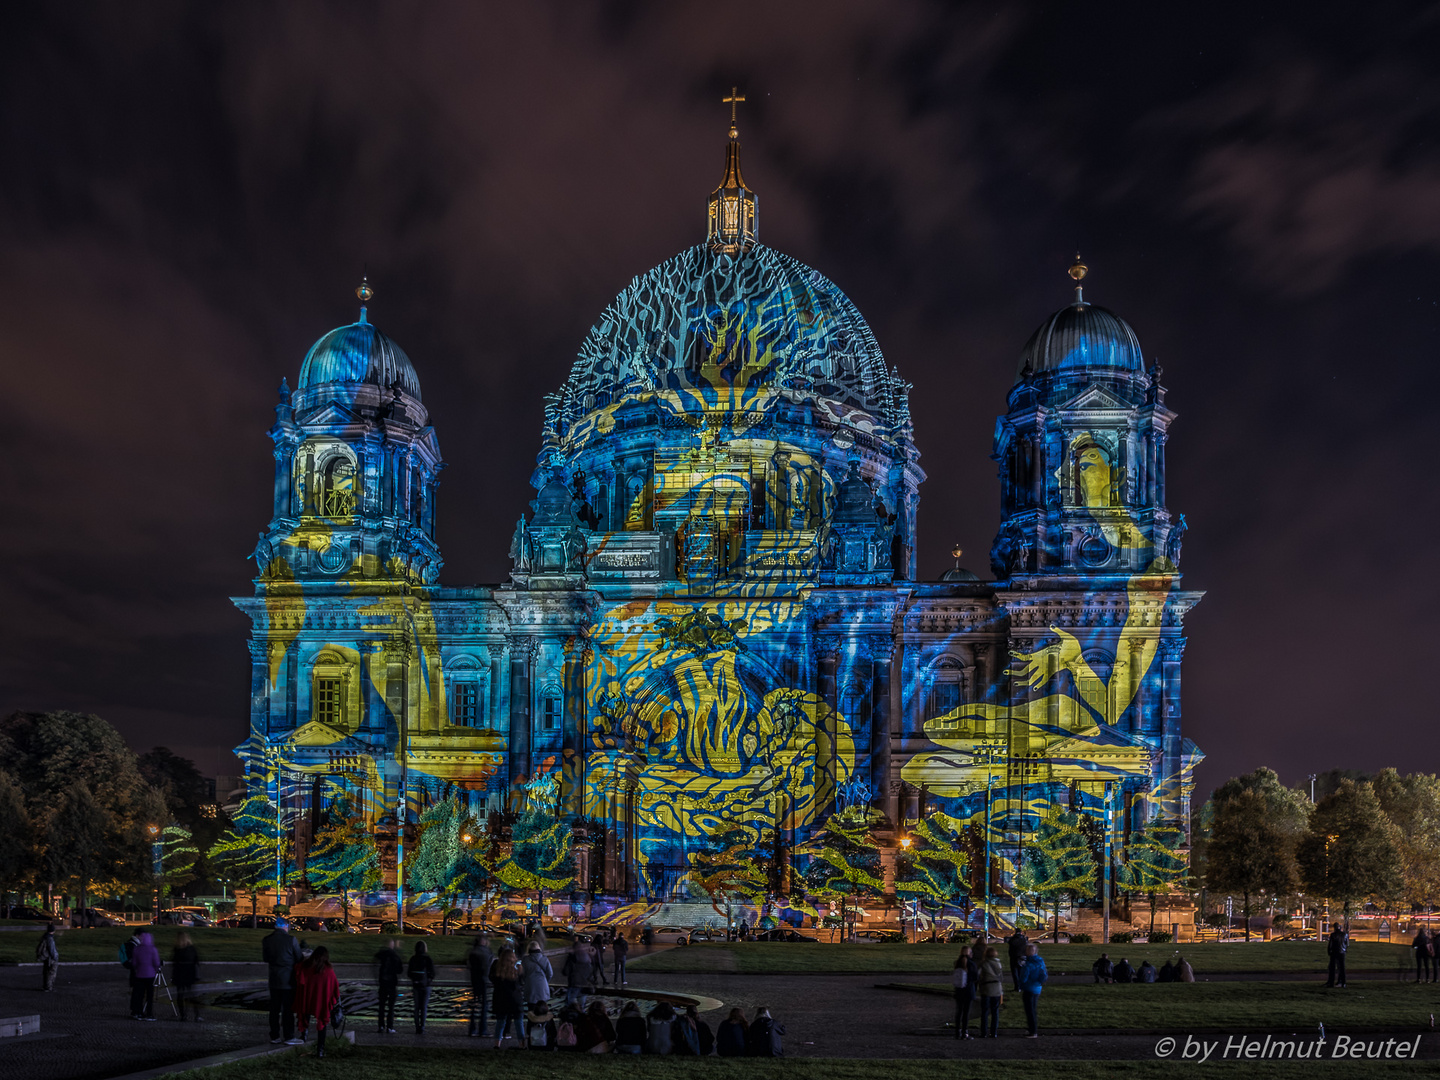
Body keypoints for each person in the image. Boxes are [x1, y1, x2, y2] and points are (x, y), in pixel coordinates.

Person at [262, 917, 304, 1043]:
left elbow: (265, 958)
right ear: (286, 926)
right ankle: (289, 1035)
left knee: (274, 1009)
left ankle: (274, 1035)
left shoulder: (267, 940)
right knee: (288, 1009)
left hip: (274, 979)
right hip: (288, 980)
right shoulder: (291, 940)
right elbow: (299, 958)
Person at [294, 946, 340, 1058]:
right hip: (321, 1001)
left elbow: (297, 972)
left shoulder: (306, 967)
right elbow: (335, 986)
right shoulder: (328, 970)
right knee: (322, 1022)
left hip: (308, 998)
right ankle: (320, 1050)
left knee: (305, 1014)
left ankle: (304, 1035)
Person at [490, 944, 525, 1048]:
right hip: (515, 999)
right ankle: (522, 1045)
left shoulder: (497, 967)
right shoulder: (517, 969)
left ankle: (497, 1044)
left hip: (501, 999)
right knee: (519, 1023)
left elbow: (491, 979)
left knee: (500, 1022)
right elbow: (521, 982)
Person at [1017, 942, 1048, 1038]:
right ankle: (1032, 1029)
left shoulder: (1028, 964)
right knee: (1033, 1009)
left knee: (1029, 1010)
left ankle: (1033, 1031)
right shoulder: (1040, 962)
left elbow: (1024, 978)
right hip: (1037, 988)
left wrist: (1020, 983)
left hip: (1029, 988)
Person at [131, 931, 162, 1021]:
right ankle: (149, 1014)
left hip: (139, 974)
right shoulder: (153, 949)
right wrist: (156, 969)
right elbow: (156, 962)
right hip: (150, 974)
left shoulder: (137, 949)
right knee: (149, 995)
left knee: (139, 995)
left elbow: (134, 963)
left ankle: (139, 1013)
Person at [467, 934, 494, 1038]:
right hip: (483, 980)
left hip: (474, 980)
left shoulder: (473, 951)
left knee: (474, 1005)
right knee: (484, 1006)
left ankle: (472, 1029)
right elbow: (489, 965)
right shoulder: (486, 952)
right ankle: (482, 1029)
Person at [374, 938, 403, 1034]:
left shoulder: (383, 954)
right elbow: (400, 970)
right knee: (391, 1007)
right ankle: (389, 1027)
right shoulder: (395, 956)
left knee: (381, 1006)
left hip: (383, 983)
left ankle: (381, 1026)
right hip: (392, 983)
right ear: (392, 946)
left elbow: (376, 957)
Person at [172, 932, 201, 1020]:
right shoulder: (192, 949)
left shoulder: (177, 949)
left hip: (179, 974)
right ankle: (197, 1014)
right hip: (190, 974)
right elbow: (197, 961)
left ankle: (183, 1015)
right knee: (192, 994)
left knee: (180, 995)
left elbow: (174, 963)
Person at [977, 945, 1004, 1038]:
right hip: (997, 988)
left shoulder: (983, 964)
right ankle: (994, 1032)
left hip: (986, 988)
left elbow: (978, 975)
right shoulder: (998, 963)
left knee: (984, 1011)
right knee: (995, 1011)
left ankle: (984, 1032)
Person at [409, 940, 435, 1033]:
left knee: (416, 1007)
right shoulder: (427, 959)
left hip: (416, 985)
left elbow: (409, 973)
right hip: (425, 985)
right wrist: (428, 980)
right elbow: (432, 972)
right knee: (424, 1007)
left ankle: (417, 1026)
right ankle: (422, 1027)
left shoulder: (413, 959)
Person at [952, 945, 978, 1039]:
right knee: (966, 1013)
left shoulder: (957, 963)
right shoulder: (971, 964)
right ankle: (964, 1032)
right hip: (968, 990)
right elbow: (975, 978)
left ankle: (957, 1032)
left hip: (959, 990)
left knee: (959, 1011)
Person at [561, 938, 595, 1008]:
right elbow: (590, 972)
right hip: (584, 985)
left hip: (574, 984)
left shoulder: (572, 958)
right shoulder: (587, 958)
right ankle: (581, 1016)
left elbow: (565, 972)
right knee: (582, 1005)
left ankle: (570, 1016)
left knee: (569, 1004)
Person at [521, 939, 553, 1011]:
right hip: (542, 985)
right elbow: (550, 973)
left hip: (530, 985)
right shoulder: (544, 959)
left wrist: (525, 981)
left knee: (531, 1009)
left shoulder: (525, 960)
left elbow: (522, 974)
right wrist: (545, 981)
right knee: (542, 1009)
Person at [35, 923, 59, 992]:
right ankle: (48, 987)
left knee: (46, 972)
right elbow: (52, 950)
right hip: (50, 958)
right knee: (51, 973)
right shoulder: (50, 939)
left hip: (46, 957)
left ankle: (46, 986)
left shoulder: (45, 937)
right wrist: (55, 957)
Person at [1006, 927, 1029, 992]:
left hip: (1014, 957)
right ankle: (1021, 986)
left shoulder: (1013, 939)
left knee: (1015, 973)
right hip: (1022, 957)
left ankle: (1017, 987)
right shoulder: (1023, 939)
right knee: (1020, 972)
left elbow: (1009, 942)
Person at [1326, 924, 1348, 988]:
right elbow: (1347, 944)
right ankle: (1343, 982)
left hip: (1334, 952)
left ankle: (1331, 982)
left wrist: (1329, 951)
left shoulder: (1333, 935)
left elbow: (1330, 944)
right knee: (1342, 968)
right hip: (1342, 953)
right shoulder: (1345, 935)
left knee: (1332, 968)